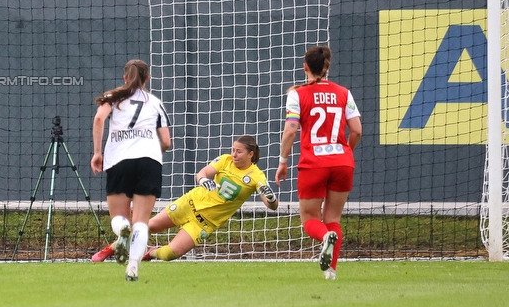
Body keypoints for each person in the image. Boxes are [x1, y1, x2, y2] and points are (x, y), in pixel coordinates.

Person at [275, 45, 361, 281]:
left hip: (314, 163)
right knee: (333, 219)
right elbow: (356, 130)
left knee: (311, 219)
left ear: (305, 67)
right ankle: (330, 271)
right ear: (327, 67)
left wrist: (283, 161)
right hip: (343, 163)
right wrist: (345, 153)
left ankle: (324, 238)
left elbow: (291, 131)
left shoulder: (297, 94)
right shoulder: (344, 92)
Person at [89, 59, 171, 281]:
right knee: (142, 221)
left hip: (119, 161)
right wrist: (153, 154)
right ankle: (133, 266)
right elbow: (166, 141)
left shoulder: (113, 97)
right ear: (147, 79)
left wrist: (97, 153)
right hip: (149, 161)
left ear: (125, 77)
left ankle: (123, 230)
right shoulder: (155, 103)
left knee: (119, 218)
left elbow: (98, 118)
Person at [143, 135, 278, 261]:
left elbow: (272, 206)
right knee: (150, 226)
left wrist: (271, 198)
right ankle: (124, 239)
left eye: (239, 151)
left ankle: (152, 252)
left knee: (169, 254)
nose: (234, 155)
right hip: (190, 203)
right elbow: (203, 172)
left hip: (204, 223)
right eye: (233, 150)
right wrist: (203, 180)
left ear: (251, 154)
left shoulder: (257, 176)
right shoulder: (225, 160)